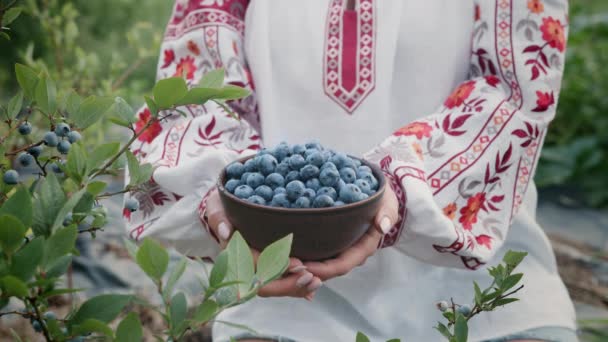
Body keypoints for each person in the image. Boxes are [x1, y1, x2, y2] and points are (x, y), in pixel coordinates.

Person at [124, 0, 577, 341]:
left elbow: (515, 89)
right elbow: (195, 92)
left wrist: (400, 193)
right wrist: (225, 207)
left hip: (488, 305)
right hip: (283, 308)